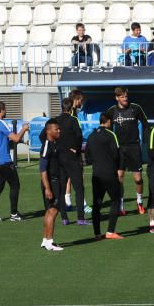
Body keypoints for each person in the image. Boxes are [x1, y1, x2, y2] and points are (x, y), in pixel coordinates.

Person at [0, 101, 29, 223]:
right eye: (5, 109)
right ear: (2, 110)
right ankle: (14, 214)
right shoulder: (1, 124)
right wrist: (24, 129)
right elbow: (15, 138)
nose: (6, 111)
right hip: (5, 162)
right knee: (15, 185)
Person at [86, 110, 124, 240]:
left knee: (96, 204)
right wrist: (119, 169)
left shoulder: (91, 136)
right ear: (108, 121)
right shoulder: (111, 135)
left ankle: (97, 233)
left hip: (96, 175)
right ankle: (110, 231)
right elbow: (117, 154)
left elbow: (88, 157)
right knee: (116, 200)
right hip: (109, 174)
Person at [110, 86, 148, 216]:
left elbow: (146, 124)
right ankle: (121, 205)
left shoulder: (135, 108)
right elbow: (105, 127)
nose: (125, 99)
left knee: (138, 178)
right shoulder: (112, 111)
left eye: (126, 96)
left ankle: (139, 202)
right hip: (119, 148)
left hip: (134, 148)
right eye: (122, 97)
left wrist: (147, 142)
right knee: (119, 177)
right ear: (117, 98)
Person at [55, 97, 88, 226]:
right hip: (72, 158)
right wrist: (76, 149)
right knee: (79, 188)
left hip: (59, 158)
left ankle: (64, 218)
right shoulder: (74, 120)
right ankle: (80, 218)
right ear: (71, 108)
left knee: (61, 189)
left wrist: (55, 148)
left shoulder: (55, 121)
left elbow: (43, 135)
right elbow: (79, 136)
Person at [39, 118, 65, 251]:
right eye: (56, 129)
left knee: (49, 211)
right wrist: (48, 188)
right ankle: (50, 241)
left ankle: (45, 240)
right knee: (53, 211)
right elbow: (42, 169)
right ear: (49, 131)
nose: (59, 130)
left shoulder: (55, 143)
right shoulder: (47, 146)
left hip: (55, 181)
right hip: (51, 182)